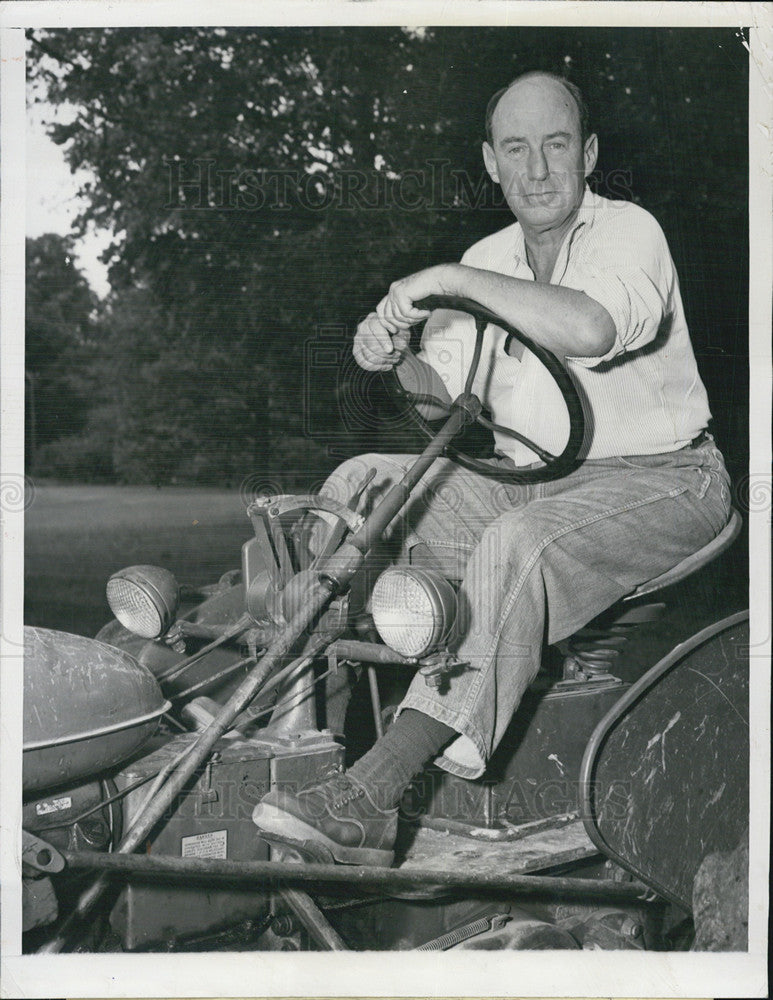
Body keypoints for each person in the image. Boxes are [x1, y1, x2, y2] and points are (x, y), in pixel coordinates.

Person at [253, 70, 732, 867]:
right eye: (516, 148)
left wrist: (443, 281)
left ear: (588, 153)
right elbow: (445, 409)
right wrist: (398, 353)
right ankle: (295, 732)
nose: (537, 170)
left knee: (519, 540)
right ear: (489, 161)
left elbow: (588, 327)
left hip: (668, 479)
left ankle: (375, 793)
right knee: (359, 487)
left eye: (555, 145)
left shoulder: (627, 232)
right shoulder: (488, 255)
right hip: (539, 476)